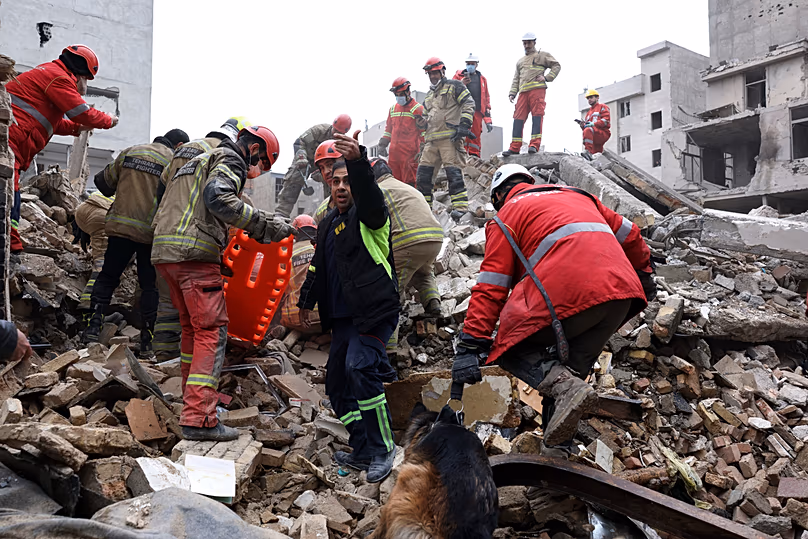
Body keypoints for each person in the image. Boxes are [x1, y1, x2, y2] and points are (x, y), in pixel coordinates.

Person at [452, 164, 656, 454]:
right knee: (566, 376)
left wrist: (471, 344)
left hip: (571, 294)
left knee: (511, 349)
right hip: (621, 295)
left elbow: (492, 285)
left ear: (498, 196)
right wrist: (644, 274)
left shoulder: (506, 216)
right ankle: (558, 452)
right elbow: (631, 234)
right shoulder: (578, 195)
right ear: (529, 181)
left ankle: (565, 397)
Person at [151, 125, 294, 442]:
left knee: (192, 330)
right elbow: (217, 198)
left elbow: (171, 198)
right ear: (254, 149)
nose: (256, 172)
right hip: (193, 254)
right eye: (261, 164)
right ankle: (200, 418)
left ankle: (190, 403)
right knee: (211, 331)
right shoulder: (231, 157)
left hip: (166, 252)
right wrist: (263, 224)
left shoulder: (194, 160)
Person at [298, 133, 399, 483]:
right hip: (343, 318)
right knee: (338, 387)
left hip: (373, 311)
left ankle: (383, 447)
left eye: (347, 181)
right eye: (336, 181)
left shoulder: (370, 216)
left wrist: (358, 162)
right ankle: (363, 447)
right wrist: (306, 301)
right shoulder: (328, 223)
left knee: (360, 368)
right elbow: (318, 267)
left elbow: (369, 194)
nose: (342, 187)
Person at [151, 117, 253, 361]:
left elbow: (162, 188)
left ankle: (164, 356)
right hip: (194, 243)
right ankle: (193, 370)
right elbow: (222, 202)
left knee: (168, 302)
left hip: (164, 238)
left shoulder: (185, 149)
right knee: (204, 324)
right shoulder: (225, 155)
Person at [82, 129, 190, 358]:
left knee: (107, 277)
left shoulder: (131, 151)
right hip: (151, 234)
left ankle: (92, 329)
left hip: (120, 228)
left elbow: (103, 183)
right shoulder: (173, 162)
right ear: (179, 145)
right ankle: (147, 341)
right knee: (149, 286)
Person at [7, 44, 118, 252]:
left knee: (12, 199)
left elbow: (53, 123)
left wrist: (77, 128)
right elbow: (81, 112)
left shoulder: (50, 75)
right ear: (81, 72)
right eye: (86, 79)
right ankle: (12, 249)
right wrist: (108, 120)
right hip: (10, 142)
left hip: (14, 144)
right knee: (8, 201)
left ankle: (12, 246)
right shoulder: (58, 77)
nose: (85, 85)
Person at [369, 158, 443, 352]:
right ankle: (433, 305)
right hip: (435, 239)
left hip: (409, 241)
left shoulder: (377, 191)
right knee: (424, 272)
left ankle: (388, 347)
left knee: (391, 290)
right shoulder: (407, 187)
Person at [415, 57, 475, 221]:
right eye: (430, 74)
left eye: (435, 73)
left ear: (442, 71)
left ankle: (460, 209)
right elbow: (426, 116)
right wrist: (422, 123)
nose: (432, 76)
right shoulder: (429, 95)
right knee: (423, 176)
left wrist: (464, 124)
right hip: (431, 142)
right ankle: (424, 210)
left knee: (453, 174)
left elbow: (469, 103)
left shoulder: (455, 86)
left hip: (450, 138)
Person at [275, 115, 352, 218]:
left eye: (339, 133)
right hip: (306, 158)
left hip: (324, 163)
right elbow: (299, 142)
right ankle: (282, 212)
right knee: (294, 178)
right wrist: (301, 157)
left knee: (333, 179)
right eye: (335, 130)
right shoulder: (319, 130)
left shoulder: (342, 142)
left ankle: (332, 210)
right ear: (332, 126)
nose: (335, 134)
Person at [502, 33, 561, 157]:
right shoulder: (520, 61)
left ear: (534, 42)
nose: (527, 45)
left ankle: (534, 145)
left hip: (537, 90)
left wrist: (547, 78)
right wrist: (512, 93)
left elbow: (556, 65)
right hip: (523, 93)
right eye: (524, 43)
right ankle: (514, 147)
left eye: (529, 42)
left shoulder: (542, 55)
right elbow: (516, 78)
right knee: (518, 118)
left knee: (537, 116)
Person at [378, 78, 425, 187]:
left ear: (408, 91)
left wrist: (423, 148)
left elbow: (423, 132)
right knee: (394, 184)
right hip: (394, 156)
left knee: (410, 184)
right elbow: (388, 130)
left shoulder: (418, 109)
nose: (399, 97)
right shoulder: (393, 109)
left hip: (410, 156)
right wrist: (382, 144)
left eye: (401, 94)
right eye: (396, 94)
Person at [74, 191, 115, 310]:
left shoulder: (120, 192)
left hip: (82, 210)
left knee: (100, 248)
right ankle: (88, 300)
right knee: (102, 262)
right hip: (102, 215)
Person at [280, 214, 320, 333]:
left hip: (295, 319)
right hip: (324, 316)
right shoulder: (321, 249)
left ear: (295, 234)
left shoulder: (287, 254)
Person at [452, 54, 492, 158]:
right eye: (468, 64)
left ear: (476, 65)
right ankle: (461, 155)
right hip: (462, 111)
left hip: (477, 112)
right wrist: (461, 83)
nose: (470, 66)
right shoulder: (458, 76)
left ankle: (475, 156)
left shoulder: (482, 80)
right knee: (462, 134)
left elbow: (486, 99)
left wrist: (488, 120)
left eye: (472, 64)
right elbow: (450, 91)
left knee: (475, 135)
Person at [312, 140, 343, 225]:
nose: (325, 172)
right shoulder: (323, 209)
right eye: (322, 168)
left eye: (330, 164)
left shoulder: (362, 195)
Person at [578, 89, 611, 159]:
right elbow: (587, 128)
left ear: (597, 97)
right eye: (588, 98)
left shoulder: (602, 107)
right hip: (594, 134)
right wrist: (583, 126)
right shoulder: (588, 113)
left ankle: (588, 151)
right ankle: (591, 156)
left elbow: (606, 120)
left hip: (603, 133)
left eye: (591, 97)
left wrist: (594, 124)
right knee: (596, 155)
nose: (589, 99)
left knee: (587, 130)